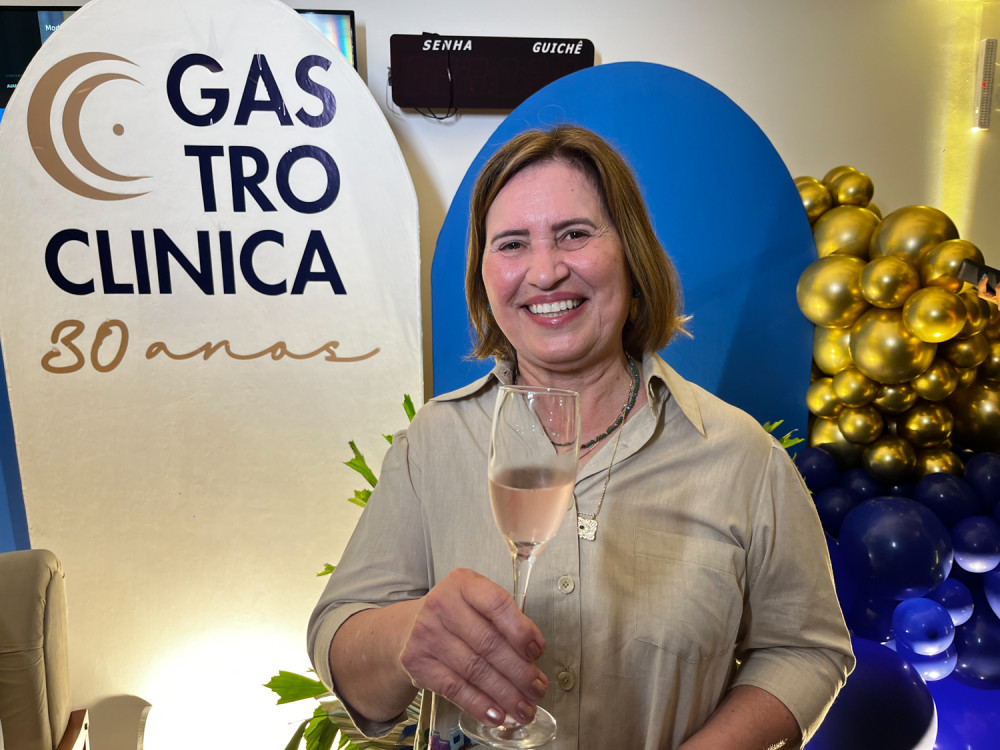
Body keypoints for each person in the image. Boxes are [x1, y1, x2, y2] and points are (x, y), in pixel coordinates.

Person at [308, 125, 854, 749]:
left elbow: (806, 650)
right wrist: (407, 634)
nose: (545, 272)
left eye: (574, 234)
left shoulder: (743, 457)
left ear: (632, 254)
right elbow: (339, 643)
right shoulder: (433, 442)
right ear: (484, 275)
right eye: (512, 244)